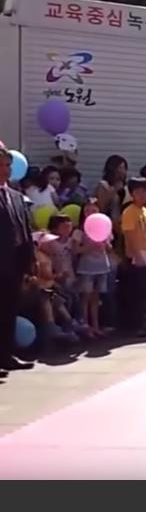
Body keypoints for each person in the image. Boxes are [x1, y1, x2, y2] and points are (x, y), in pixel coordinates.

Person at [1, 146, 36, 370]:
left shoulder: (15, 196)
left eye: (7, 166)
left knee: (8, 313)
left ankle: (5, 356)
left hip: (13, 266)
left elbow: (24, 229)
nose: (5, 170)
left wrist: (29, 261)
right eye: (1, 166)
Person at [121, 177, 146, 337]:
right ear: (132, 194)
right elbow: (128, 235)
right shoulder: (129, 212)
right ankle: (135, 325)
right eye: (139, 192)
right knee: (137, 291)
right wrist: (137, 255)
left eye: (145, 191)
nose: (143, 195)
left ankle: (145, 320)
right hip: (137, 256)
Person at [74, 200, 112, 338]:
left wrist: (105, 244)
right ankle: (85, 326)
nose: (90, 214)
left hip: (102, 266)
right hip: (86, 267)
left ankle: (95, 326)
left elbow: (109, 248)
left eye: (94, 211)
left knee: (96, 298)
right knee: (86, 297)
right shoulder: (79, 231)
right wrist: (89, 247)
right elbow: (75, 250)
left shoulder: (105, 228)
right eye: (87, 211)